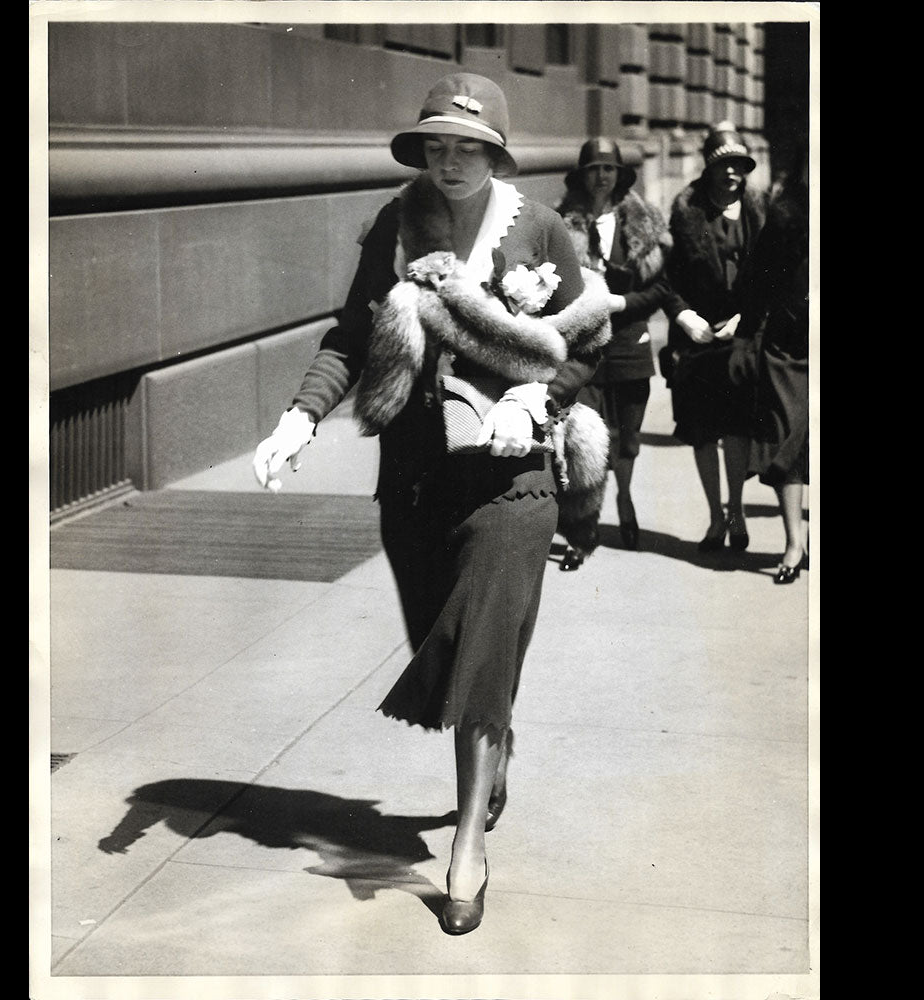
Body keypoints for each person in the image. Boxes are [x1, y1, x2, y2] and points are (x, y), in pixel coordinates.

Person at [251, 73, 611, 935]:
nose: (449, 160)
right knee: (455, 662)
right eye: (436, 144)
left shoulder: (543, 229)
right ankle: (493, 750)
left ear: (495, 153)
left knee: (482, 639)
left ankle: (465, 850)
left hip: (512, 479)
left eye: (467, 146)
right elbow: (350, 334)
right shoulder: (394, 225)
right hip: (415, 478)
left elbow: (589, 336)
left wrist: (542, 398)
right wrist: (298, 417)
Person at [555, 137, 674, 570]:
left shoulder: (644, 223)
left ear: (620, 176)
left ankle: (623, 498)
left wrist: (621, 304)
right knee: (584, 442)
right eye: (594, 169)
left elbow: (662, 288)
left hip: (629, 346)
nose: (601, 176)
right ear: (582, 175)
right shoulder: (561, 223)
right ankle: (581, 532)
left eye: (609, 169)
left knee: (626, 440)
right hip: (583, 349)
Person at [663, 122, 766, 552]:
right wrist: (685, 317)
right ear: (707, 168)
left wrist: (746, 316)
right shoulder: (686, 212)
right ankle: (713, 519)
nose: (730, 174)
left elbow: (770, 277)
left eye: (738, 166)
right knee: (703, 432)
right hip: (696, 339)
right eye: (722, 165)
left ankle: (737, 513)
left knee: (738, 429)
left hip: (740, 338)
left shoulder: (759, 213)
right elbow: (665, 277)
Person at [729, 144, 810, 583]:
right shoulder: (785, 216)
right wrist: (745, 341)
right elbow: (756, 282)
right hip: (788, 346)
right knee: (787, 436)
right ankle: (794, 542)